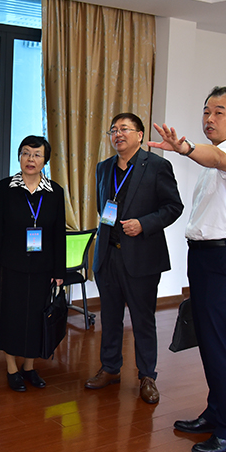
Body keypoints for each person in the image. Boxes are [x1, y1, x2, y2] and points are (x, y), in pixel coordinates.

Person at [150, 86, 226, 452]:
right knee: (209, 341)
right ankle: (217, 413)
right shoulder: (214, 161)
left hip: (224, 260)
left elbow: (216, 158)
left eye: (218, 112)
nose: (209, 119)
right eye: (206, 112)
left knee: (220, 343)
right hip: (204, 258)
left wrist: (184, 148)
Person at [85, 113, 183, 403]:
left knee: (143, 319)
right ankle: (110, 368)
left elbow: (173, 207)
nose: (118, 134)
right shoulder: (104, 168)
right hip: (108, 255)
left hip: (142, 256)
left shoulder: (157, 166)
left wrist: (144, 223)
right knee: (110, 317)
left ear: (140, 135)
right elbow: (102, 207)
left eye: (124, 129)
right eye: (113, 130)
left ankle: (147, 376)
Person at [0, 136, 66, 392]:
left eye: (37, 154)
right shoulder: (5, 188)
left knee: (36, 318)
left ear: (45, 160)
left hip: (43, 266)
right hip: (10, 265)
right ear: (19, 156)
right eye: (26, 153)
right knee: (11, 317)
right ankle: (11, 369)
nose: (31, 159)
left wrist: (59, 270)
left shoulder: (55, 192)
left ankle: (29, 367)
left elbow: (58, 234)